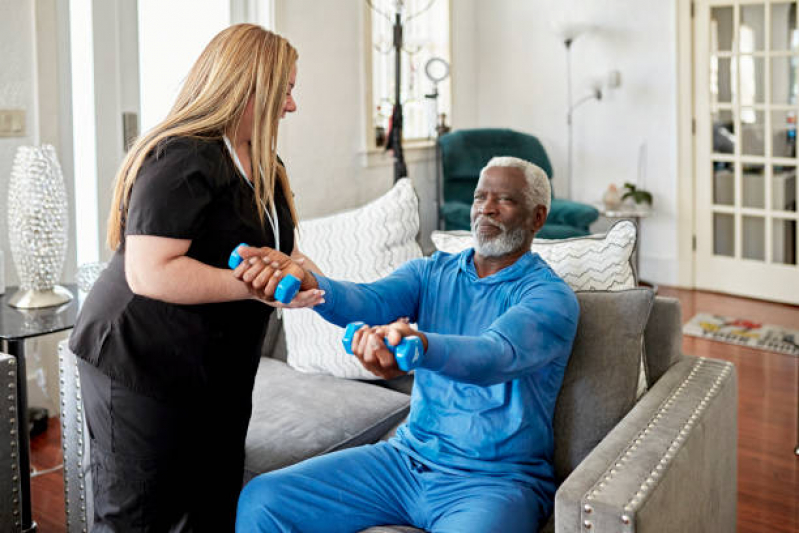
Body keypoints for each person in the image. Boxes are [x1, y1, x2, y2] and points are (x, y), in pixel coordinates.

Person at [234, 156, 580, 532]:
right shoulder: (431, 272)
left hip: (495, 482)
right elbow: (370, 301)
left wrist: (421, 346)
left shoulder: (550, 298)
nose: (486, 209)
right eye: (480, 197)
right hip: (406, 461)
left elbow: (494, 355)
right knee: (264, 499)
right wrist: (312, 283)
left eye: (505, 200)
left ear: (538, 217)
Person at [68, 24, 323, 532]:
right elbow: (149, 272)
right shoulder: (182, 156)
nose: (291, 106)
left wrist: (311, 282)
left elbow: (288, 253)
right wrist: (257, 287)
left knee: (213, 504)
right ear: (247, 86)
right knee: (139, 519)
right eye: (285, 89)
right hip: (139, 359)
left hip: (218, 367)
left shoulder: (265, 161)